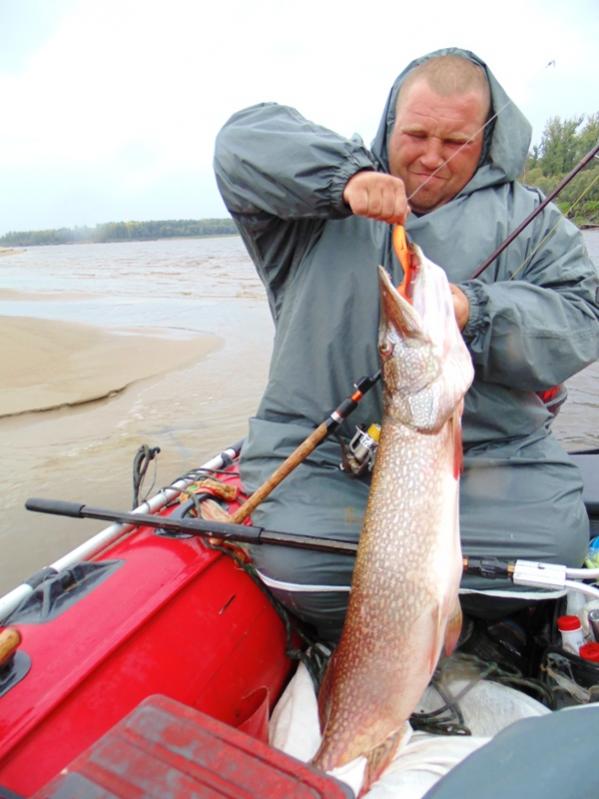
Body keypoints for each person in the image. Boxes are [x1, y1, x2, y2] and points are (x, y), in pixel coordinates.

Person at [214, 48, 599, 643]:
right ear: (391, 121)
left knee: (554, 548)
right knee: (301, 566)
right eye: (416, 134)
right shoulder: (310, 205)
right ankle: (422, 637)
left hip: (488, 464)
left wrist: (475, 310)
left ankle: (444, 635)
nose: (430, 156)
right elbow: (240, 142)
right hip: (323, 462)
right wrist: (345, 180)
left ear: (488, 141)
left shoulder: (535, 222)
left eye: (456, 142)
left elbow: (583, 317)